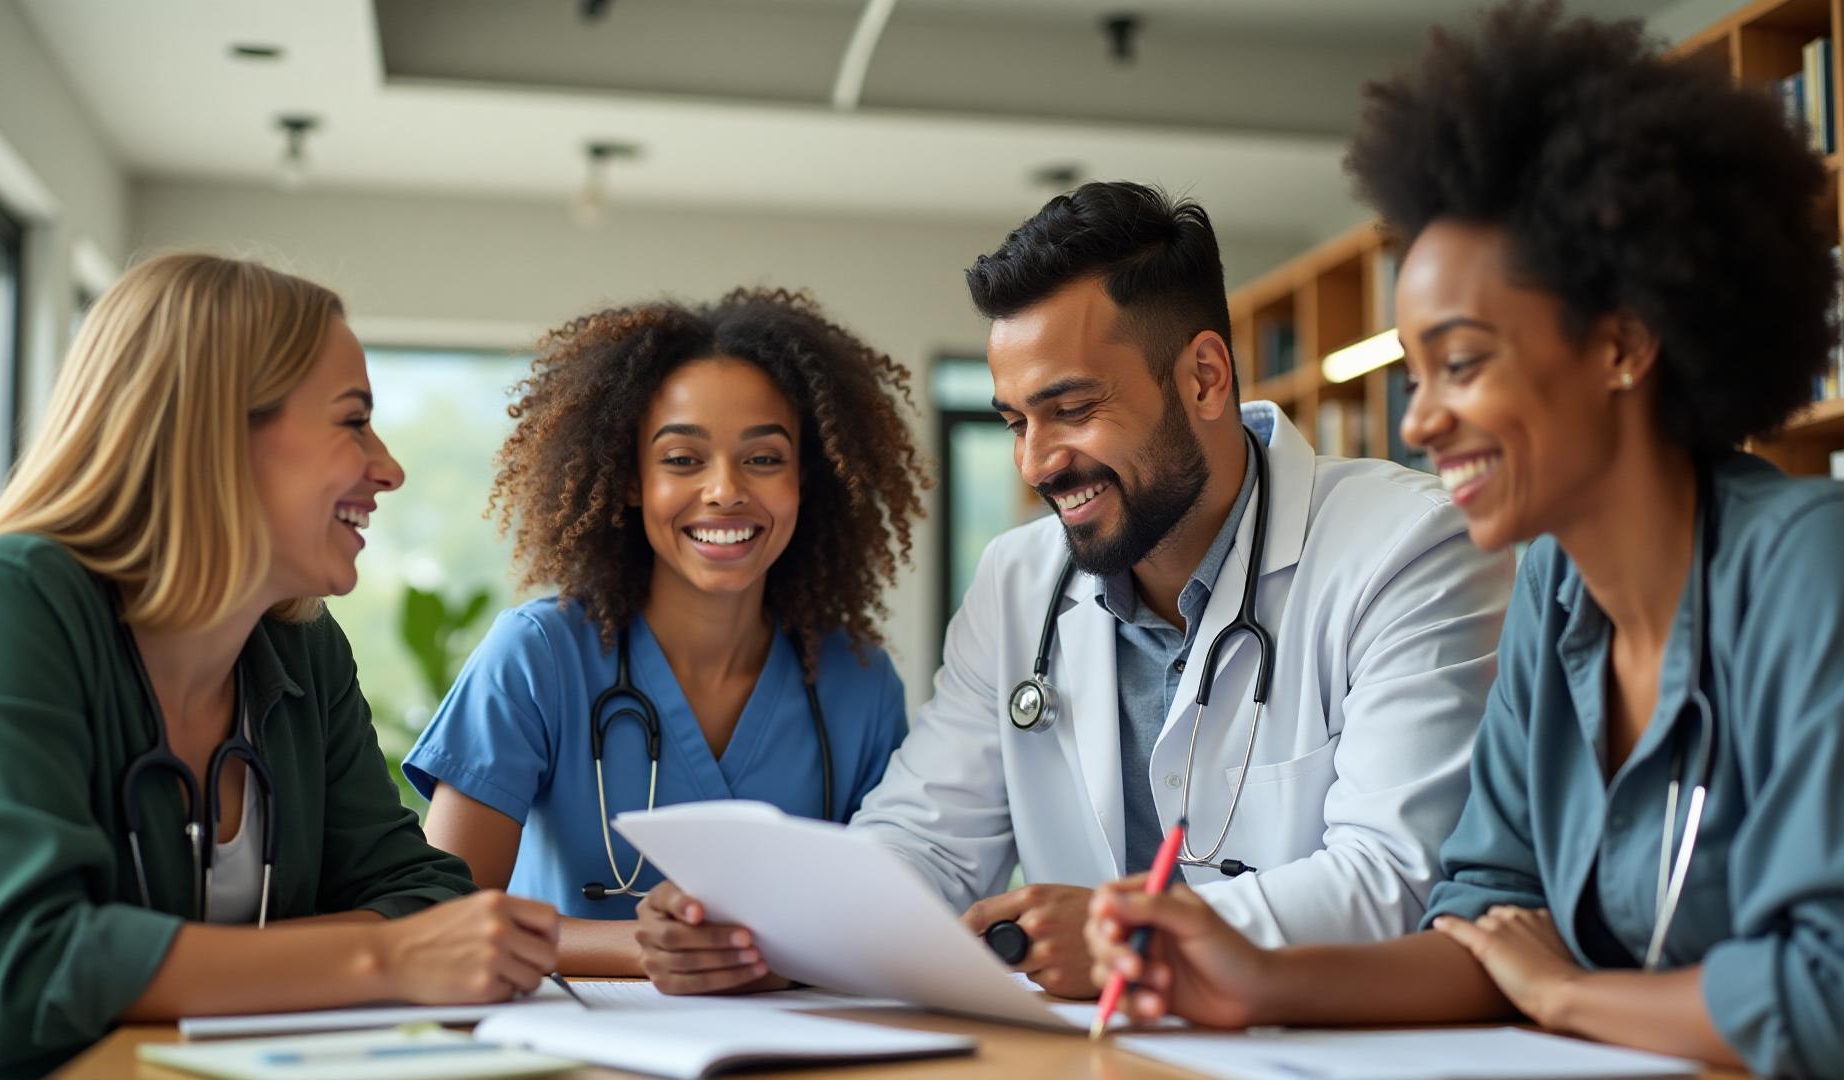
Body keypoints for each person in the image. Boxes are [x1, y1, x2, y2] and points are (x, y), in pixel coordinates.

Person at [1083, 4, 1844, 1075]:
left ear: (1623, 343)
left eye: (1465, 362)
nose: (1418, 421)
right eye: (1414, 372)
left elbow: (1823, 991)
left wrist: (1572, 993)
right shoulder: (1553, 595)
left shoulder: (1807, 569)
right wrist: (1250, 975)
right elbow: (1487, 926)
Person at [635, 182, 1516, 997]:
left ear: (1204, 377)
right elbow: (928, 842)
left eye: (1072, 409)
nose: (1035, 464)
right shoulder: (1019, 581)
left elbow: (1400, 879)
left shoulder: (1408, 546)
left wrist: (1131, 937)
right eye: (1017, 421)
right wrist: (770, 929)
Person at [0, 254, 564, 1078]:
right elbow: (30, 972)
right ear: (215, 430)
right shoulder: (14, 600)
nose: (389, 468)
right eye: (352, 421)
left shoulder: (300, 644)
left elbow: (426, 891)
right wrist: (382, 959)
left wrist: (230, 964)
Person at [404, 288, 927, 976]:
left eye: (764, 459)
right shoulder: (537, 658)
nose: (724, 491)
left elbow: (884, 918)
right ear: (629, 480)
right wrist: (640, 949)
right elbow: (445, 921)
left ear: (809, 477)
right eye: (683, 459)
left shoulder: (857, 683)